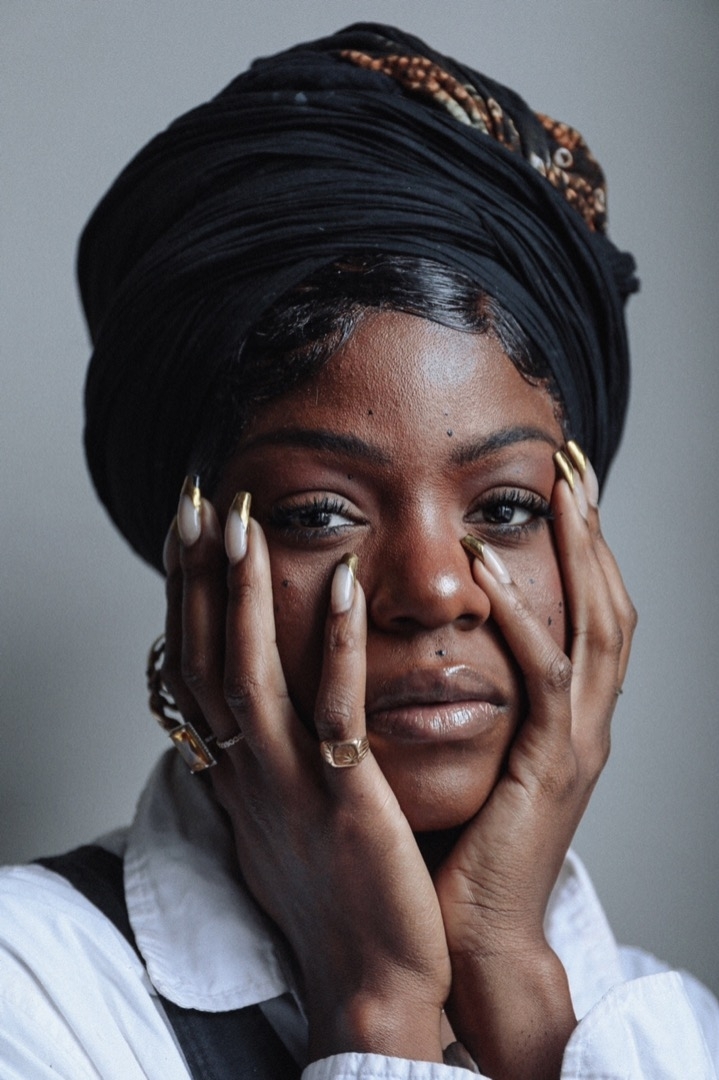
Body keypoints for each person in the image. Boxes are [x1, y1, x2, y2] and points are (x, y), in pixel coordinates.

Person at [1, 22, 717, 1079]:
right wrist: (376, 1001)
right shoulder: (34, 990)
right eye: (316, 513)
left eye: (507, 506)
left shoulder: (680, 1033)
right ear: (198, 572)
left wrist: (508, 968)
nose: (434, 588)